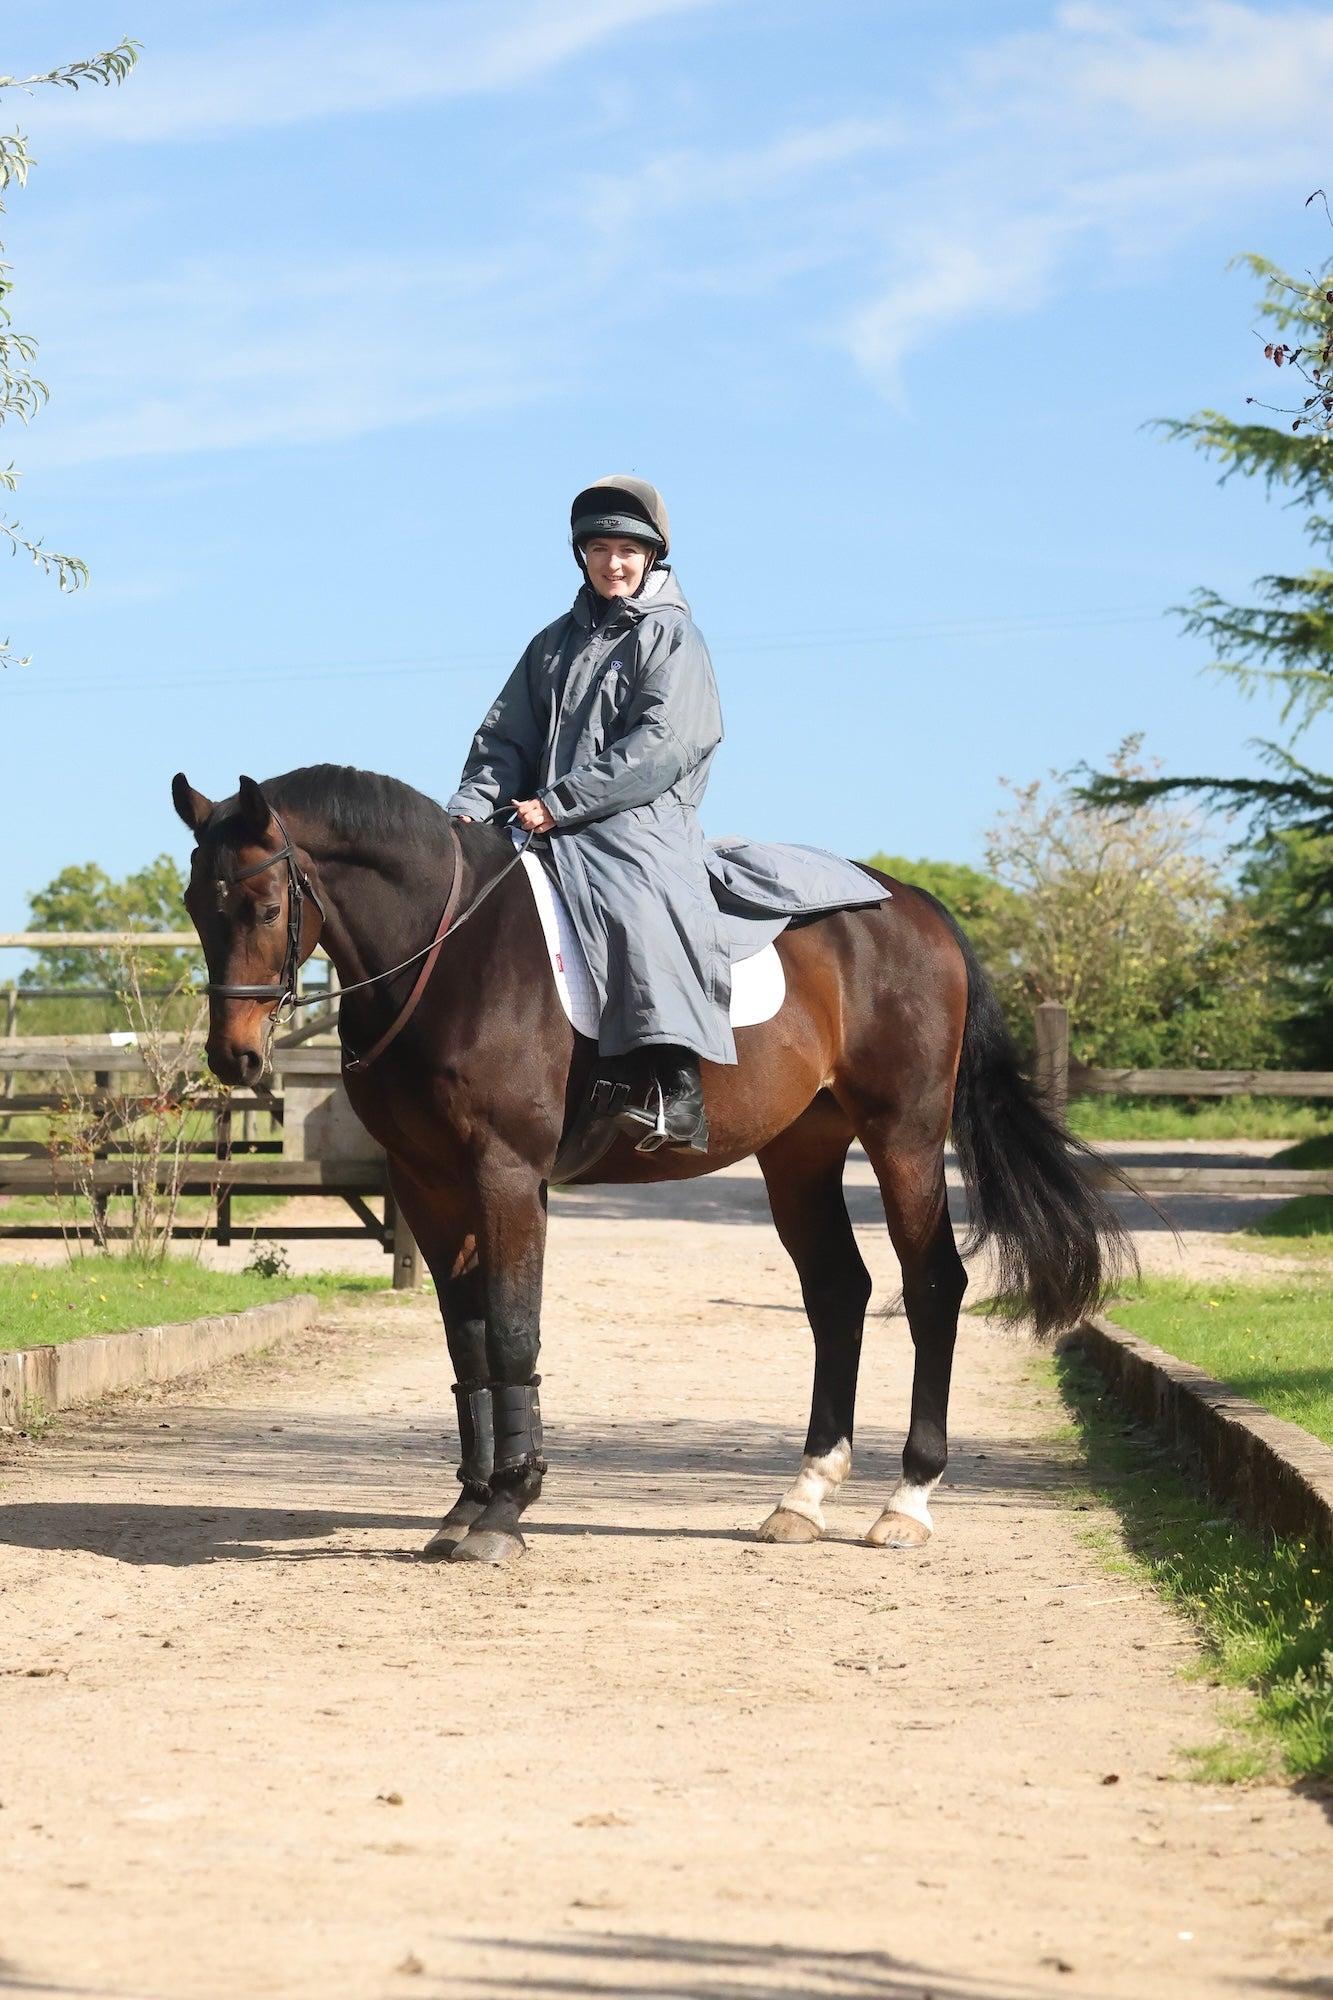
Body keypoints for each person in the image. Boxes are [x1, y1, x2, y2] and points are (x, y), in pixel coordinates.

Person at [448, 475, 726, 1158]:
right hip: (543, 822)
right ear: (581, 556)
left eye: (628, 550)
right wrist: (459, 822)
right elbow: (502, 743)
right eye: (599, 549)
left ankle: (675, 1086)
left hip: (639, 821)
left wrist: (561, 802)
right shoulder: (549, 644)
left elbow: (667, 742)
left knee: (633, 897)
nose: (613, 563)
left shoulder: (672, 636)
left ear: (652, 557)